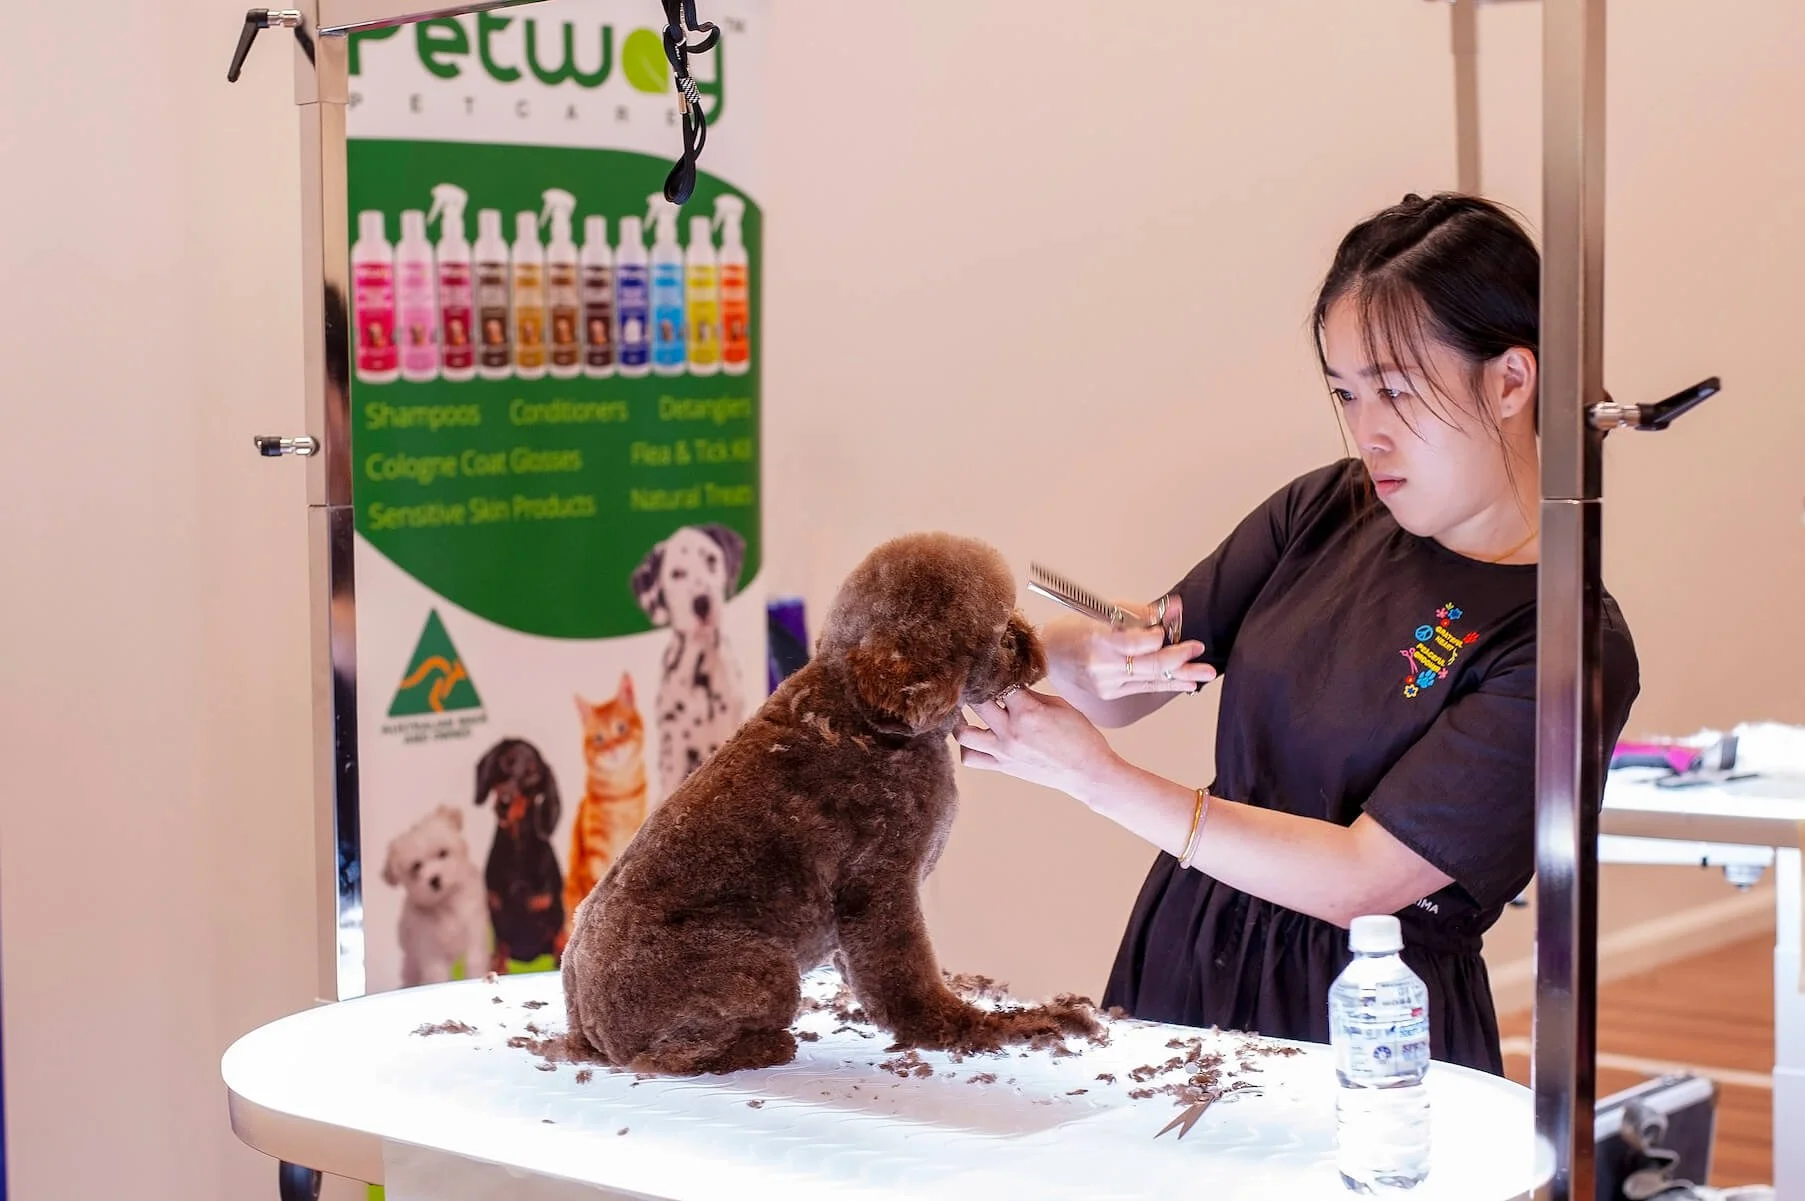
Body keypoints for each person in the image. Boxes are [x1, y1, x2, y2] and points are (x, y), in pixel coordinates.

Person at [955, 192, 1641, 1075]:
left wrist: (1095, 781)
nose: (1369, 431)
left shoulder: (1561, 638)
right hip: (1185, 952)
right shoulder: (1325, 507)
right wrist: (1062, 650)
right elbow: (1140, 668)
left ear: (1511, 379)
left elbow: (1364, 878)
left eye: (1395, 390)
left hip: (1367, 1009)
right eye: (1346, 394)